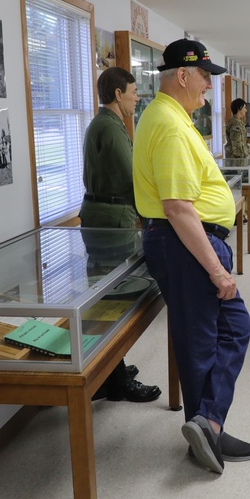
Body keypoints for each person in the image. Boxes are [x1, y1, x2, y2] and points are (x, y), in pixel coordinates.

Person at [133, 38, 250, 474]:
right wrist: (219, 270)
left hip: (190, 239)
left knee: (220, 333)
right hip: (185, 242)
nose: (209, 84)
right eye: (204, 75)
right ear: (182, 76)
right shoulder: (167, 123)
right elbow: (178, 208)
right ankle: (207, 425)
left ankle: (208, 426)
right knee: (210, 338)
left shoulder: (174, 117)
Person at [80, 66, 161, 403]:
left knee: (107, 301)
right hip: (114, 222)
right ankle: (115, 380)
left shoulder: (104, 124)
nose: (136, 97)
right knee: (119, 303)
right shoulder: (110, 128)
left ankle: (112, 369)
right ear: (117, 94)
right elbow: (130, 182)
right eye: (132, 91)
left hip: (103, 215)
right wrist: (153, 217)